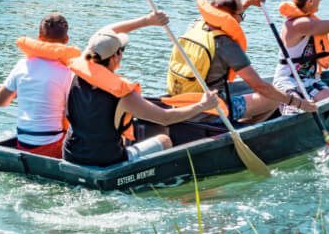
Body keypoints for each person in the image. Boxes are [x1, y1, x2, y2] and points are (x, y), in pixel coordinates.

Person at [62, 13, 218, 167]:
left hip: (71, 155)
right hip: (106, 161)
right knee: (165, 140)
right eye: (122, 50)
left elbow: (105, 32)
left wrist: (147, 20)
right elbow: (165, 118)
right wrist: (203, 105)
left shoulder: (77, 71)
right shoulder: (123, 94)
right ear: (115, 57)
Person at [167, 0, 318, 123]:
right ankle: (246, 129)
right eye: (241, 15)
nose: (242, 20)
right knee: (274, 98)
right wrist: (298, 103)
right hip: (210, 113)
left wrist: (248, 2)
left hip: (180, 105)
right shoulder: (227, 45)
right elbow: (260, 86)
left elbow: (225, 18)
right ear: (231, 16)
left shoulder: (196, 25)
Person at [0, 14, 80, 159]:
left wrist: (18, 91)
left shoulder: (21, 65)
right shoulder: (68, 73)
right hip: (53, 146)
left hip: (23, 144)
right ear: (66, 40)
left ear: (39, 38)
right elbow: (72, 114)